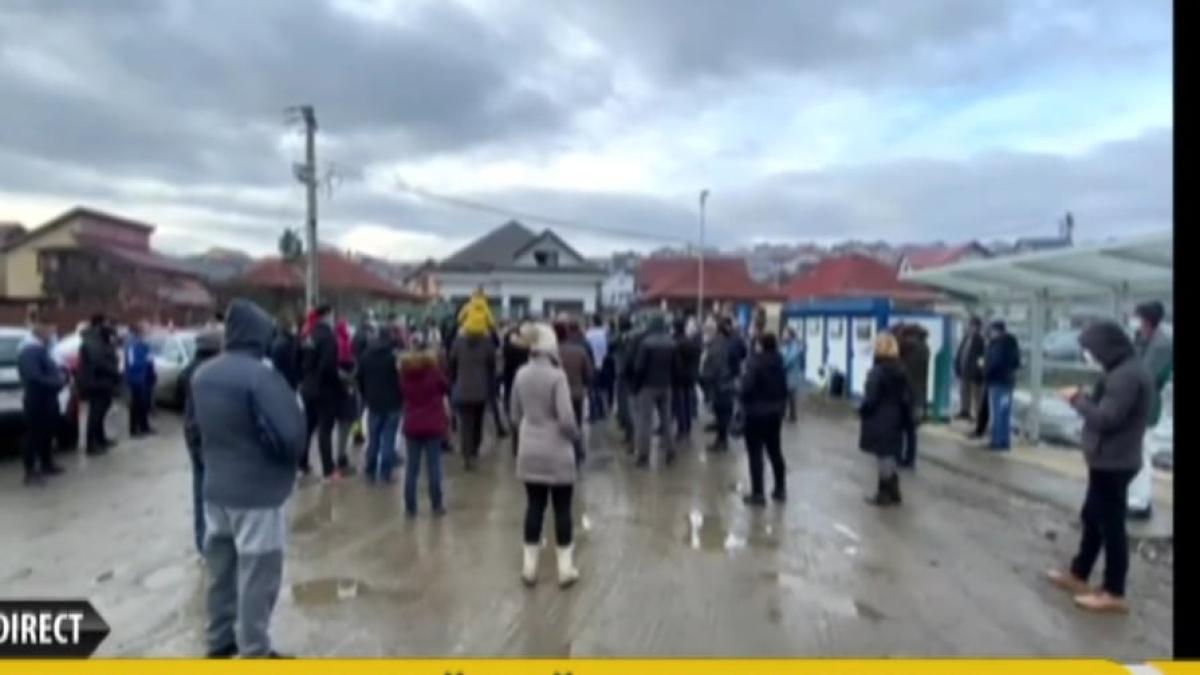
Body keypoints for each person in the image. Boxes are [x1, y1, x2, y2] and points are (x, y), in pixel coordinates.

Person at [187, 299, 306, 658]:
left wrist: (208, 465)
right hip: (256, 494)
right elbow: (290, 435)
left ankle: (219, 641)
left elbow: (192, 432)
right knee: (259, 573)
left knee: (221, 571)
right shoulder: (261, 377)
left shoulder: (202, 375)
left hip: (215, 490)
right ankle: (255, 650)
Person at [1046, 320, 1152, 614]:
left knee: (1111, 525)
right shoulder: (1122, 371)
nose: (1089, 355)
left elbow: (1107, 418)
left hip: (1115, 462)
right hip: (1107, 459)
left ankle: (1114, 591)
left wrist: (1076, 399)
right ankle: (1079, 573)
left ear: (1107, 346)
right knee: (1093, 516)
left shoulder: (1126, 376)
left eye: (1091, 350)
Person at [511, 323, 581, 588]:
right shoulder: (557, 376)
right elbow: (566, 418)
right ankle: (565, 569)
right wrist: (575, 437)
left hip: (529, 450)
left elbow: (515, 415)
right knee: (562, 510)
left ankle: (529, 568)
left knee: (534, 507)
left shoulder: (520, 375)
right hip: (557, 452)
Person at [1126, 301, 1172, 520]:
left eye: (1139, 317)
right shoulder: (1146, 340)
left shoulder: (1162, 344)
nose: (1136, 322)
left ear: (1148, 320)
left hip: (1146, 406)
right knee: (1134, 453)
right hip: (1137, 404)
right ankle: (1134, 498)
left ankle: (1140, 503)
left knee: (1142, 454)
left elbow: (1145, 375)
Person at [859, 332, 913, 507]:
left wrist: (863, 410)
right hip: (895, 416)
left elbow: (871, 397)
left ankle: (884, 493)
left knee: (883, 457)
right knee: (890, 455)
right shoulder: (901, 369)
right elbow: (907, 396)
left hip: (880, 417)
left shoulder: (878, 371)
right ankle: (894, 492)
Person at [181, 328, 222, 555]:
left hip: (192, 435)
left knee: (199, 489)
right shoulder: (212, 372)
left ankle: (202, 542)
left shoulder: (190, 370)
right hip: (208, 437)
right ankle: (216, 543)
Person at [400, 342, 450, 516]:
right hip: (433, 424)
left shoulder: (405, 374)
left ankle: (410, 508)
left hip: (412, 424)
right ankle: (436, 505)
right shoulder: (434, 373)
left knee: (411, 468)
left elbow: (402, 394)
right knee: (434, 466)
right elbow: (446, 388)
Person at [18, 313, 67, 486]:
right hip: (36, 400)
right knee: (34, 436)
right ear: (40, 329)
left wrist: (62, 376)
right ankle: (30, 472)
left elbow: (52, 368)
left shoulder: (43, 349)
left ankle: (47, 464)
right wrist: (57, 382)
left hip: (48, 400)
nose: (52, 333)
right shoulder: (29, 351)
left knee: (47, 433)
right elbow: (34, 377)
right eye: (49, 330)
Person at [740, 332, 789, 506]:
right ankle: (780, 488)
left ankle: (758, 493)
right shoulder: (780, 362)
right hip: (774, 413)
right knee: (775, 450)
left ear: (760, 345)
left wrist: (742, 397)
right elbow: (784, 388)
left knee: (755, 454)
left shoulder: (754, 363)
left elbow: (747, 388)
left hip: (755, 413)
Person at [299, 305, 342, 479]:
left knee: (308, 427)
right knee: (325, 428)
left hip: (307, 387)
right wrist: (338, 384)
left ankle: (301, 462)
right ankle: (328, 469)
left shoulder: (308, 334)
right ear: (328, 316)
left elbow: (298, 357)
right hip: (324, 390)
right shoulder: (328, 337)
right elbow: (328, 366)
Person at [632, 313, 679, 468]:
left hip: (647, 386)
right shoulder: (672, 343)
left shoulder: (646, 343)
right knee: (666, 420)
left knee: (645, 421)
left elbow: (639, 367)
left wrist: (636, 386)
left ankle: (643, 456)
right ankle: (671, 452)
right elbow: (676, 367)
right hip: (666, 385)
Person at [358, 325, 403, 484]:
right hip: (393, 403)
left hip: (374, 402)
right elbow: (401, 380)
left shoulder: (366, 355)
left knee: (373, 438)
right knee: (389, 439)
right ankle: (385, 474)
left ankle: (370, 470)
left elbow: (359, 378)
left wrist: (366, 395)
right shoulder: (393, 357)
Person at [449, 322, 496, 470]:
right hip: (481, 390)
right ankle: (474, 449)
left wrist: (456, 379)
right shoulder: (487, 343)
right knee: (478, 422)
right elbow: (492, 364)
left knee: (465, 424)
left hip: (463, 388)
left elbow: (452, 363)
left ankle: (466, 454)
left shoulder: (458, 343)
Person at [78, 313, 120, 455]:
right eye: (107, 323)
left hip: (103, 382)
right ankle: (92, 445)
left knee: (101, 413)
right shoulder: (92, 340)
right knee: (95, 414)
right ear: (99, 324)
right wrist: (115, 373)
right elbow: (99, 362)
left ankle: (100, 439)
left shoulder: (101, 339)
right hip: (96, 383)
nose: (110, 326)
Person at [557, 320, 593, 465]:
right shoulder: (580, 351)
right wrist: (584, 383)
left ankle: (561, 452)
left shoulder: (554, 351)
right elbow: (589, 374)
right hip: (577, 393)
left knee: (559, 424)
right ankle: (577, 452)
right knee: (576, 423)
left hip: (559, 394)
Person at [983, 321, 1021, 451]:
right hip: (1008, 383)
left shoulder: (998, 344)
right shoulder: (1012, 344)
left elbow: (995, 362)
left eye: (992, 331)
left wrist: (986, 372)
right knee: (1005, 412)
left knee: (998, 413)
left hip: (997, 382)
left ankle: (997, 441)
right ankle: (1005, 441)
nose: (990, 334)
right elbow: (1016, 363)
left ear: (997, 331)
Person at [701, 318, 737, 453]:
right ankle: (722, 440)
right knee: (724, 414)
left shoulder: (716, 346)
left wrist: (706, 381)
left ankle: (721, 442)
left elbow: (712, 368)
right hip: (728, 383)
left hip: (719, 385)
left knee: (721, 414)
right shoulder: (730, 343)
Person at [896, 323, 930, 468]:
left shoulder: (909, 348)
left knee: (900, 427)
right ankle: (910, 459)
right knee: (911, 430)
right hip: (918, 392)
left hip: (906, 392)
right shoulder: (924, 348)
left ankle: (900, 456)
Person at [502, 322, 531, 455]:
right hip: (525, 381)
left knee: (513, 412)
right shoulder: (528, 348)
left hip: (510, 381)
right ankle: (523, 443)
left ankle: (516, 445)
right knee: (524, 412)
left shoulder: (508, 347)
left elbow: (504, 358)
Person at [672, 317, 702, 443]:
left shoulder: (676, 342)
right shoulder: (691, 342)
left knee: (680, 404)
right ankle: (687, 428)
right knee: (688, 402)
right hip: (690, 376)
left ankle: (682, 429)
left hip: (679, 377)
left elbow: (675, 362)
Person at [611, 315, 639, 447]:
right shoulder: (636, 336)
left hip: (623, 373)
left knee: (626, 406)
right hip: (632, 374)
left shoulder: (620, 338)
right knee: (629, 406)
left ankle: (631, 436)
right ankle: (629, 434)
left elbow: (610, 345)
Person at [124, 321, 156, 437]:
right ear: (140, 331)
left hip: (145, 378)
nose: (149, 331)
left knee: (144, 404)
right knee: (136, 405)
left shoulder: (143, 343)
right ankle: (134, 429)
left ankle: (144, 426)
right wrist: (146, 360)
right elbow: (132, 363)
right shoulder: (132, 344)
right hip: (136, 379)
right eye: (147, 329)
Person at [955, 317, 986, 420]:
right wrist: (957, 366)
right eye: (970, 325)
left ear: (978, 327)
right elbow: (960, 353)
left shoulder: (980, 340)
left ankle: (978, 415)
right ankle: (965, 411)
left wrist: (980, 370)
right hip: (964, 371)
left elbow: (982, 357)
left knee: (976, 395)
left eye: (973, 326)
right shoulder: (965, 338)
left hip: (974, 372)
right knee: (964, 391)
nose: (971, 328)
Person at [585, 315, 609, 421]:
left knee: (591, 390)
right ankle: (602, 411)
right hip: (603, 363)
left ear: (593, 322)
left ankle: (593, 414)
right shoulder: (605, 333)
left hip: (592, 363)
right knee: (599, 389)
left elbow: (586, 349)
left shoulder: (589, 334)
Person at [268, 314, 301, 392]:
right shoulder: (286, 343)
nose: (296, 328)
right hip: (287, 382)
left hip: (284, 382)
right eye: (294, 326)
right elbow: (290, 364)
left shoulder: (285, 340)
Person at [781, 328, 804, 423]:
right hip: (785, 375)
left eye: (785, 334)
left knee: (791, 395)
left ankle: (793, 416)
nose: (783, 336)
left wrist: (781, 365)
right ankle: (784, 414)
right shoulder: (785, 346)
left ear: (790, 336)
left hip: (792, 375)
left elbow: (789, 360)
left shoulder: (795, 347)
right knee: (785, 395)